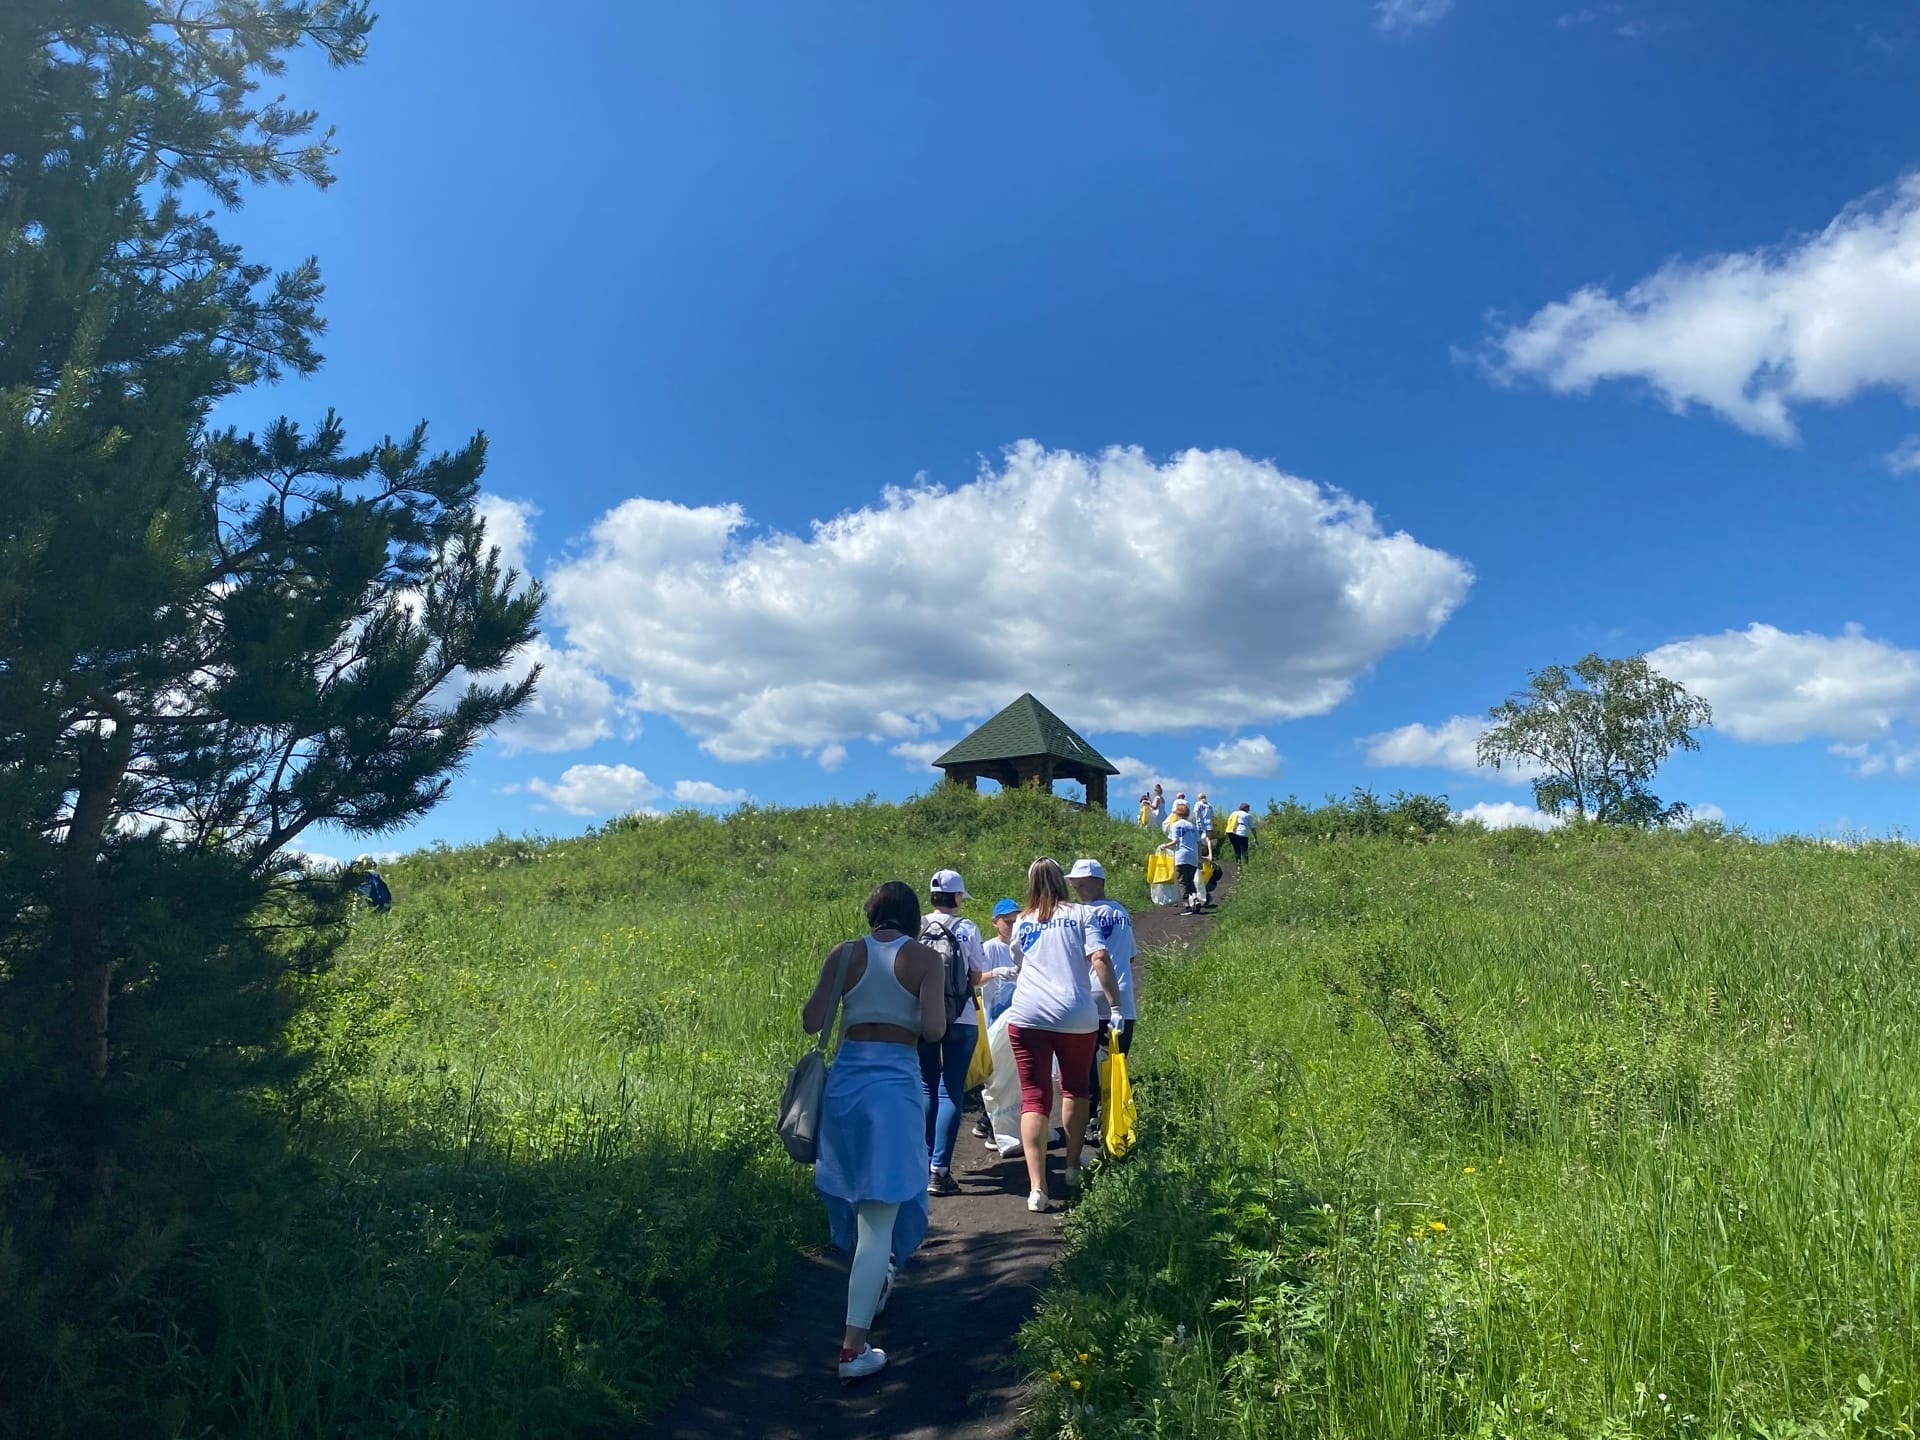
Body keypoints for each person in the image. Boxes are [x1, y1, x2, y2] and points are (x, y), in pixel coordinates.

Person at [801, 881, 947, 1380]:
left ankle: (876, 1281)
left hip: (846, 1084)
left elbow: (812, 1020)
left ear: (872, 914)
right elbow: (935, 1030)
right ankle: (852, 1349)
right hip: (894, 1088)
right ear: (913, 918)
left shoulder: (844, 954)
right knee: (878, 1220)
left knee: (860, 1202)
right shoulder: (925, 959)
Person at [1004, 858, 1123, 1212]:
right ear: (1062, 881)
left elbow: (1019, 961)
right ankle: (1072, 1168)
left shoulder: (1023, 921)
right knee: (1075, 1088)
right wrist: (1115, 1007)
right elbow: (1099, 958)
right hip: (1075, 1015)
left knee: (1034, 1097)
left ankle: (1037, 1187)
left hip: (1027, 1015)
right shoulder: (1082, 914)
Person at [921, 870, 991, 1197]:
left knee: (926, 1085)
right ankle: (940, 1171)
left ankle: (922, 1164)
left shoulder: (918, 926)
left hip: (923, 1017)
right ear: (958, 896)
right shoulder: (967, 928)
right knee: (950, 1089)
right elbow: (976, 976)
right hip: (961, 1017)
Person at [1065, 859, 1135, 1138]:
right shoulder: (1121, 912)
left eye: (1082, 884)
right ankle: (1109, 1121)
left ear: (1099, 882)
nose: (1078, 889)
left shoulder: (1080, 915)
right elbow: (1130, 955)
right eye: (1075, 884)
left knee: (1086, 1063)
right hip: (1122, 996)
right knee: (1115, 1061)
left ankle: (1093, 1117)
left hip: (1089, 994)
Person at [1158, 799, 1212, 914]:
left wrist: (1164, 846)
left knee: (1182, 881)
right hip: (1193, 856)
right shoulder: (1193, 826)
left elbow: (1175, 841)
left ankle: (1187, 904)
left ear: (1177, 814)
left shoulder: (1175, 825)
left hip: (1181, 856)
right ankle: (1195, 898)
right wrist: (1199, 859)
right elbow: (1198, 843)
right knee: (1190, 880)